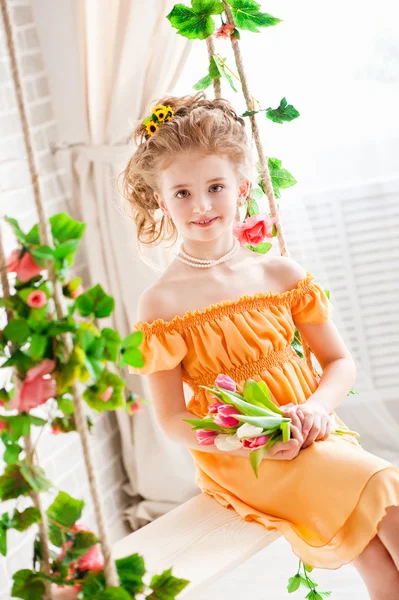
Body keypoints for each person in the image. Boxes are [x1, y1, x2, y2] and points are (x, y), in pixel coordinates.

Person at [121, 92, 399, 599]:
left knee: (377, 553)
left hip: (313, 433)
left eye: (215, 187)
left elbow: (338, 362)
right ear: (161, 201)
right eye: (181, 193)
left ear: (242, 189)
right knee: (387, 490)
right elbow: (171, 419)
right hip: (244, 458)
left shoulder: (279, 273)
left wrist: (315, 409)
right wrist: (250, 441)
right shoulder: (160, 303)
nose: (201, 205)